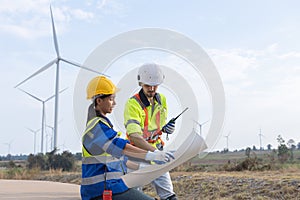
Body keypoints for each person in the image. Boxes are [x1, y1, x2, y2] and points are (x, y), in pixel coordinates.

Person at [81, 76, 175, 200]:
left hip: (108, 187)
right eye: (111, 99)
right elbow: (122, 147)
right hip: (102, 190)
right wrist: (152, 155)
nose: (114, 103)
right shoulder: (97, 127)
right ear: (99, 101)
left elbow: (120, 160)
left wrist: (144, 168)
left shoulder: (101, 125)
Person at [124, 63, 178, 200]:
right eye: (148, 85)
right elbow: (135, 136)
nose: (152, 89)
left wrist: (167, 129)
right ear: (141, 83)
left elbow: (156, 128)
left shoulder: (162, 100)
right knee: (135, 196)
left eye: (155, 85)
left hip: (155, 151)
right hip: (136, 155)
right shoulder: (133, 104)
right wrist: (155, 154)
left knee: (169, 195)